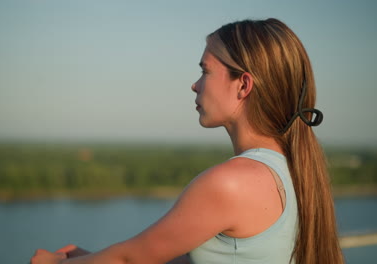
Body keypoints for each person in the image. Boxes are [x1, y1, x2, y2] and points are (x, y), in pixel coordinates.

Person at [31, 18, 344, 264]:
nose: (194, 85)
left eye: (205, 71)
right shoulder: (292, 169)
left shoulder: (231, 183)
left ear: (243, 85)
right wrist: (91, 260)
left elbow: (131, 259)